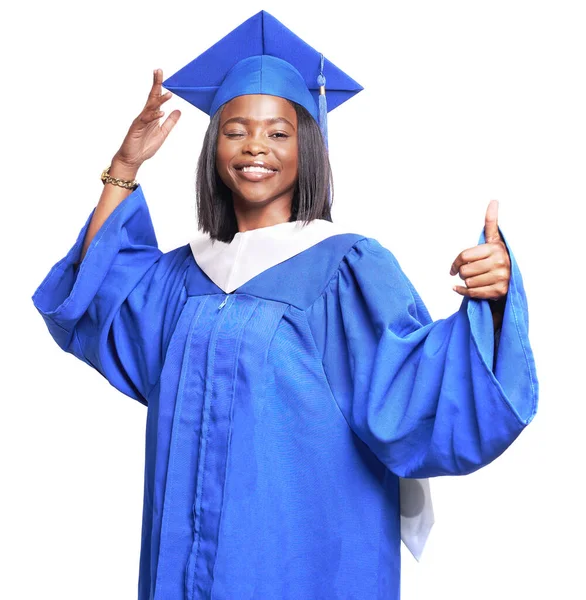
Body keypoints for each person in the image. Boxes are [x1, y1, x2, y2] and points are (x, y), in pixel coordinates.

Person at [32, 10, 538, 600]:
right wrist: (123, 168)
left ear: (308, 147)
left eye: (278, 132)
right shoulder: (184, 276)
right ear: (213, 146)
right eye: (235, 129)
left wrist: (493, 304)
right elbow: (104, 304)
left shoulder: (347, 268)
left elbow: (416, 390)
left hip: (302, 562)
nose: (254, 148)